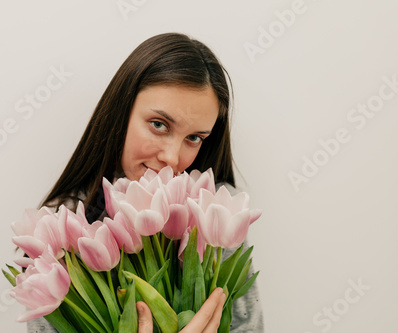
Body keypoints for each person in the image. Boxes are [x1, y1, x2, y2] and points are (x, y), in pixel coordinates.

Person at [26, 32, 264, 333]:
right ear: (119, 113)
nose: (172, 157)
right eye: (159, 125)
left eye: (194, 138)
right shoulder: (62, 228)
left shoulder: (213, 209)